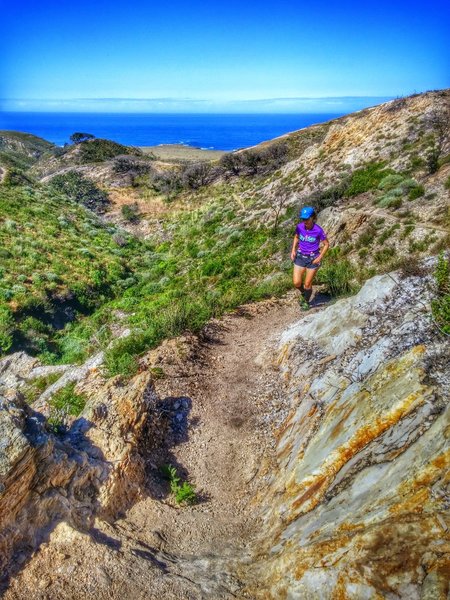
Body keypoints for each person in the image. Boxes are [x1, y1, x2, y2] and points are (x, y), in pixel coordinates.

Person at [290, 206, 329, 306]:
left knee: (307, 284)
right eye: (303, 219)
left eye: (307, 219)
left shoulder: (318, 230)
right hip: (300, 256)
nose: (305, 221)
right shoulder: (299, 227)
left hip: (313, 258)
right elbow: (296, 237)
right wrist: (293, 250)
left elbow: (326, 244)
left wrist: (320, 257)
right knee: (296, 283)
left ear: (312, 217)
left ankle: (306, 301)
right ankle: (304, 293)